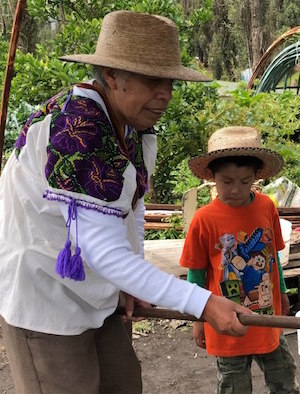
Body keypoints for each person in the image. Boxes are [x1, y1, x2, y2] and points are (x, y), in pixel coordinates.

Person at [0, 10, 252, 394]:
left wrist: (133, 279)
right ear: (113, 75)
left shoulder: (129, 124)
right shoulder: (80, 128)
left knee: (123, 384)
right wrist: (203, 303)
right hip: (44, 295)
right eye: (152, 80)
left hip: (96, 291)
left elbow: (131, 208)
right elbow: (101, 249)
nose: (164, 93)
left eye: (169, 81)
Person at [181, 126, 299, 394]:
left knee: (284, 377)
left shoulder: (266, 206)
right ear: (212, 176)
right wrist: (199, 319)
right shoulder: (204, 219)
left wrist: (282, 293)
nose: (235, 189)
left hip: (267, 320)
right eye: (226, 181)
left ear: (257, 176)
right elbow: (196, 274)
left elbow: (273, 259)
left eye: (245, 182)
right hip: (226, 326)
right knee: (234, 386)